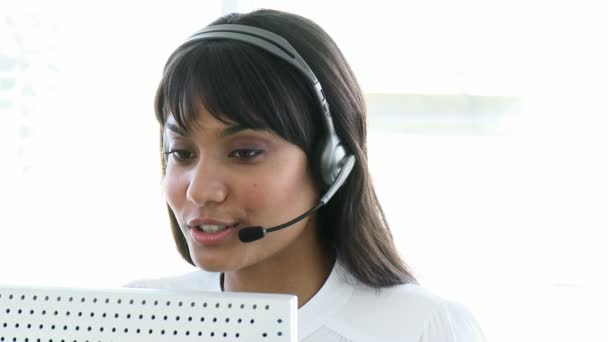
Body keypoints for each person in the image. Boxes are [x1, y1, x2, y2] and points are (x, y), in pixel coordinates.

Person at [127, 9, 487, 341]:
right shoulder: (137, 315)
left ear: (331, 163)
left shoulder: (424, 327)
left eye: (245, 153)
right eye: (181, 153)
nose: (199, 191)